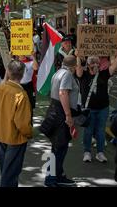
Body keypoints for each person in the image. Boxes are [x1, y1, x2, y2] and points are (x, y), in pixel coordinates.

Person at [0, 60, 32, 187]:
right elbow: (22, 124)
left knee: (5, 170)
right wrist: (29, 133)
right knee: (10, 174)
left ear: (7, 72)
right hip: (15, 138)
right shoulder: (21, 95)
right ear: (23, 74)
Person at [40, 55, 79, 187]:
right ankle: (51, 179)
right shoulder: (67, 74)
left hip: (56, 111)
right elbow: (63, 93)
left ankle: (59, 175)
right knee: (59, 148)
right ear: (73, 67)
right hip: (61, 113)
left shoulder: (58, 72)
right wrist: (68, 115)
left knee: (57, 147)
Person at [76, 53, 117, 163]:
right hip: (89, 109)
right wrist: (78, 56)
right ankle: (87, 152)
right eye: (92, 62)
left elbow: (114, 66)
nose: (95, 64)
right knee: (88, 131)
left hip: (103, 108)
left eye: (97, 62)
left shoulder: (104, 74)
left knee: (100, 131)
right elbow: (78, 69)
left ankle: (100, 153)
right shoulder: (84, 75)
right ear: (88, 64)